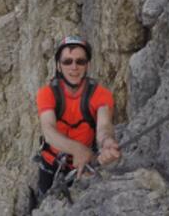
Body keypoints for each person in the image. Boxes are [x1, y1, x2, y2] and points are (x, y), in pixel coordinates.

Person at [35, 35, 121, 198]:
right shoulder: (47, 94)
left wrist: (107, 142)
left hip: (84, 165)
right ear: (59, 66)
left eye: (80, 61)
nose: (74, 67)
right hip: (51, 164)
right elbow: (48, 130)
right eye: (67, 61)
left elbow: (104, 127)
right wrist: (78, 149)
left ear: (87, 65)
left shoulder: (101, 95)